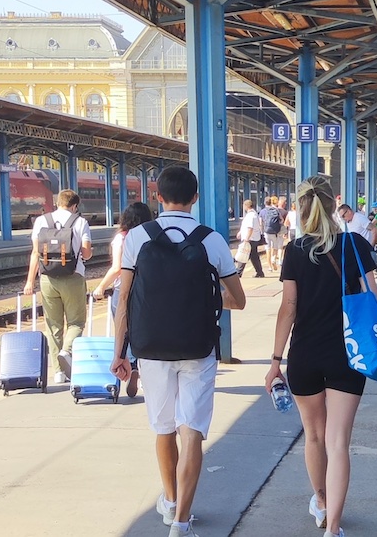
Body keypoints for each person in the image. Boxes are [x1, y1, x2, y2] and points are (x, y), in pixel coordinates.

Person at [111, 166, 247, 537]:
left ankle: (170, 502)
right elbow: (239, 300)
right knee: (192, 433)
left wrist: (119, 352)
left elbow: (124, 300)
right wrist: (205, 296)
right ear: (195, 198)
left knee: (164, 428)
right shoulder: (212, 239)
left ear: (158, 196)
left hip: (151, 348)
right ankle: (183, 524)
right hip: (197, 348)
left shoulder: (137, 237)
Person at [267, 176, 377, 537]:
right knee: (338, 442)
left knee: (313, 436)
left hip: (305, 356)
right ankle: (333, 529)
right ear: (332, 205)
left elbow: (288, 308)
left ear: (302, 208)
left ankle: (321, 503)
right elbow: (373, 297)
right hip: (349, 354)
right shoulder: (354, 243)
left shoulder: (294, 250)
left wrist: (275, 361)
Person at [23, 189, 93, 384]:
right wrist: (88, 251)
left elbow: (36, 253)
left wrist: (30, 281)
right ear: (75, 206)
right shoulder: (80, 222)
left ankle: (58, 373)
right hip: (73, 277)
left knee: (53, 326)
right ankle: (67, 350)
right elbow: (86, 254)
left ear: (57, 203)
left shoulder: (41, 221)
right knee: (76, 322)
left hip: (47, 279)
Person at [92, 201, 154, 398]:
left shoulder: (121, 238)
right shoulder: (151, 235)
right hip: (147, 289)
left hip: (123, 289)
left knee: (124, 329)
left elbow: (117, 267)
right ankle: (144, 371)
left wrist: (101, 286)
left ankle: (130, 363)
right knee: (146, 328)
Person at [236, 199, 264, 278]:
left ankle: (238, 272)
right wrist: (241, 232)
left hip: (250, 239)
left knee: (244, 254)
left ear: (246, 206)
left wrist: (246, 238)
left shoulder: (251, 215)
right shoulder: (253, 214)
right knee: (254, 257)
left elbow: (250, 228)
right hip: (253, 239)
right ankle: (259, 272)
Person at [259, 197, 285, 273]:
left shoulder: (262, 211)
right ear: (271, 202)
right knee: (275, 247)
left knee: (268, 249)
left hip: (266, 232)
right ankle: (273, 259)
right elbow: (281, 220)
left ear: (264, 203)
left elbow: (260, 223)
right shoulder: (275, 210)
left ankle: (270, 267)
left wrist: (262, 231)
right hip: (275, 232)